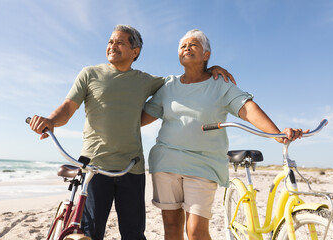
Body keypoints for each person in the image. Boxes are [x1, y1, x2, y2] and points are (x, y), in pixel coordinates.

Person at [28, 25, 234, 240]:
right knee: (90, 233)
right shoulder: (89, 73)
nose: (112, 46)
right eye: (110, 41)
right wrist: (51, 121)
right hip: (94, 167)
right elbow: (68, 108)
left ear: (135, 51)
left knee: (134, 234)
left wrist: (209, 69)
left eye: (120, 42)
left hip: (131, 169)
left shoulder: (146, 81)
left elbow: (185, 79)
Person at [141, 29, 307, 240]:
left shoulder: (220, 83)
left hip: (203, 164)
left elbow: (247, 108)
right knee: (171, 227)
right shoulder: (168, 86)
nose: (186, 48)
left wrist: (276, 133)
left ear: (206, 55)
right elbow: (141, 118)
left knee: (196, 231)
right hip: (166, 162)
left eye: (193, 45)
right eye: (182, 46)